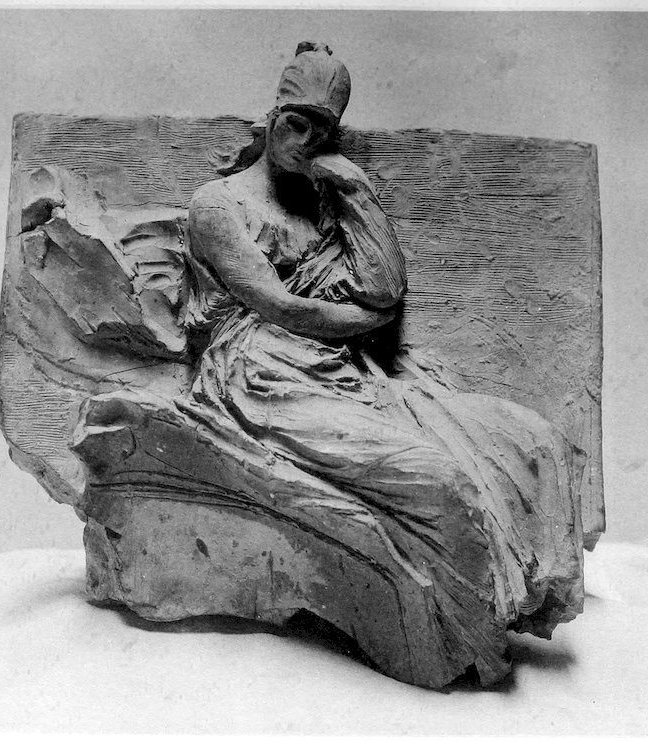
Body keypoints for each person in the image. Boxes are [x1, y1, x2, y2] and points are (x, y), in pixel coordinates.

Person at [79, 42, 585, 685]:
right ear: (272, 119)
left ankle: (514, 594)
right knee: (436, 478)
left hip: (342, 373)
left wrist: (357, 189)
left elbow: (383, 287)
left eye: (322, 132)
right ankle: (454, 636)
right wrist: (366, 321)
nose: (307, 142)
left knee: (525, 438)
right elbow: (281, 306)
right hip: (261, 378)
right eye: (297, 124)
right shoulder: (218, 206)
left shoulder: (319, 205)